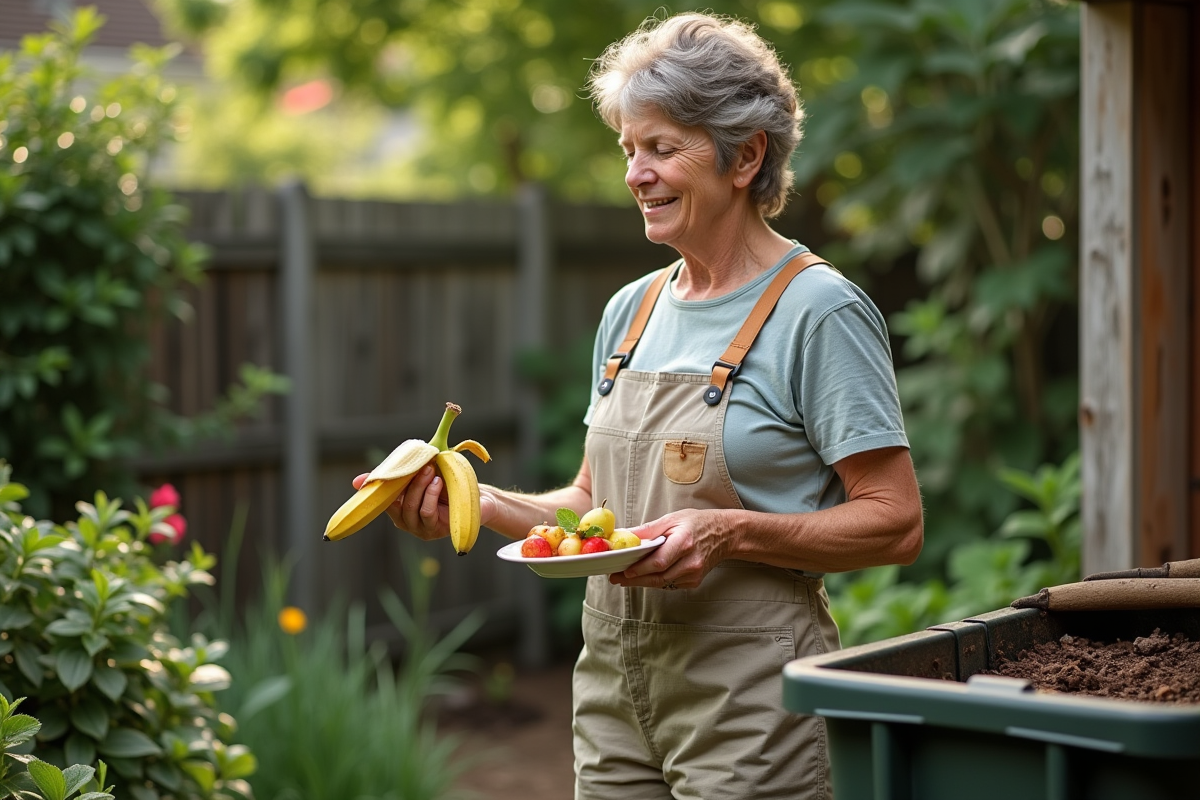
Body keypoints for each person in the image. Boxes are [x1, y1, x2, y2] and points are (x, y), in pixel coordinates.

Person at [355, 12, 922, 799]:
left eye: (661, 148)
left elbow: (895, 520)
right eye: (629, 149)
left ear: (745, 156)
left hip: (749, 704)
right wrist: (479, 502)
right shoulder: (633, 310)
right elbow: (591, 504)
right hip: (613, 697)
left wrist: (732, 532)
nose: (635, 173)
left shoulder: (819, 312)